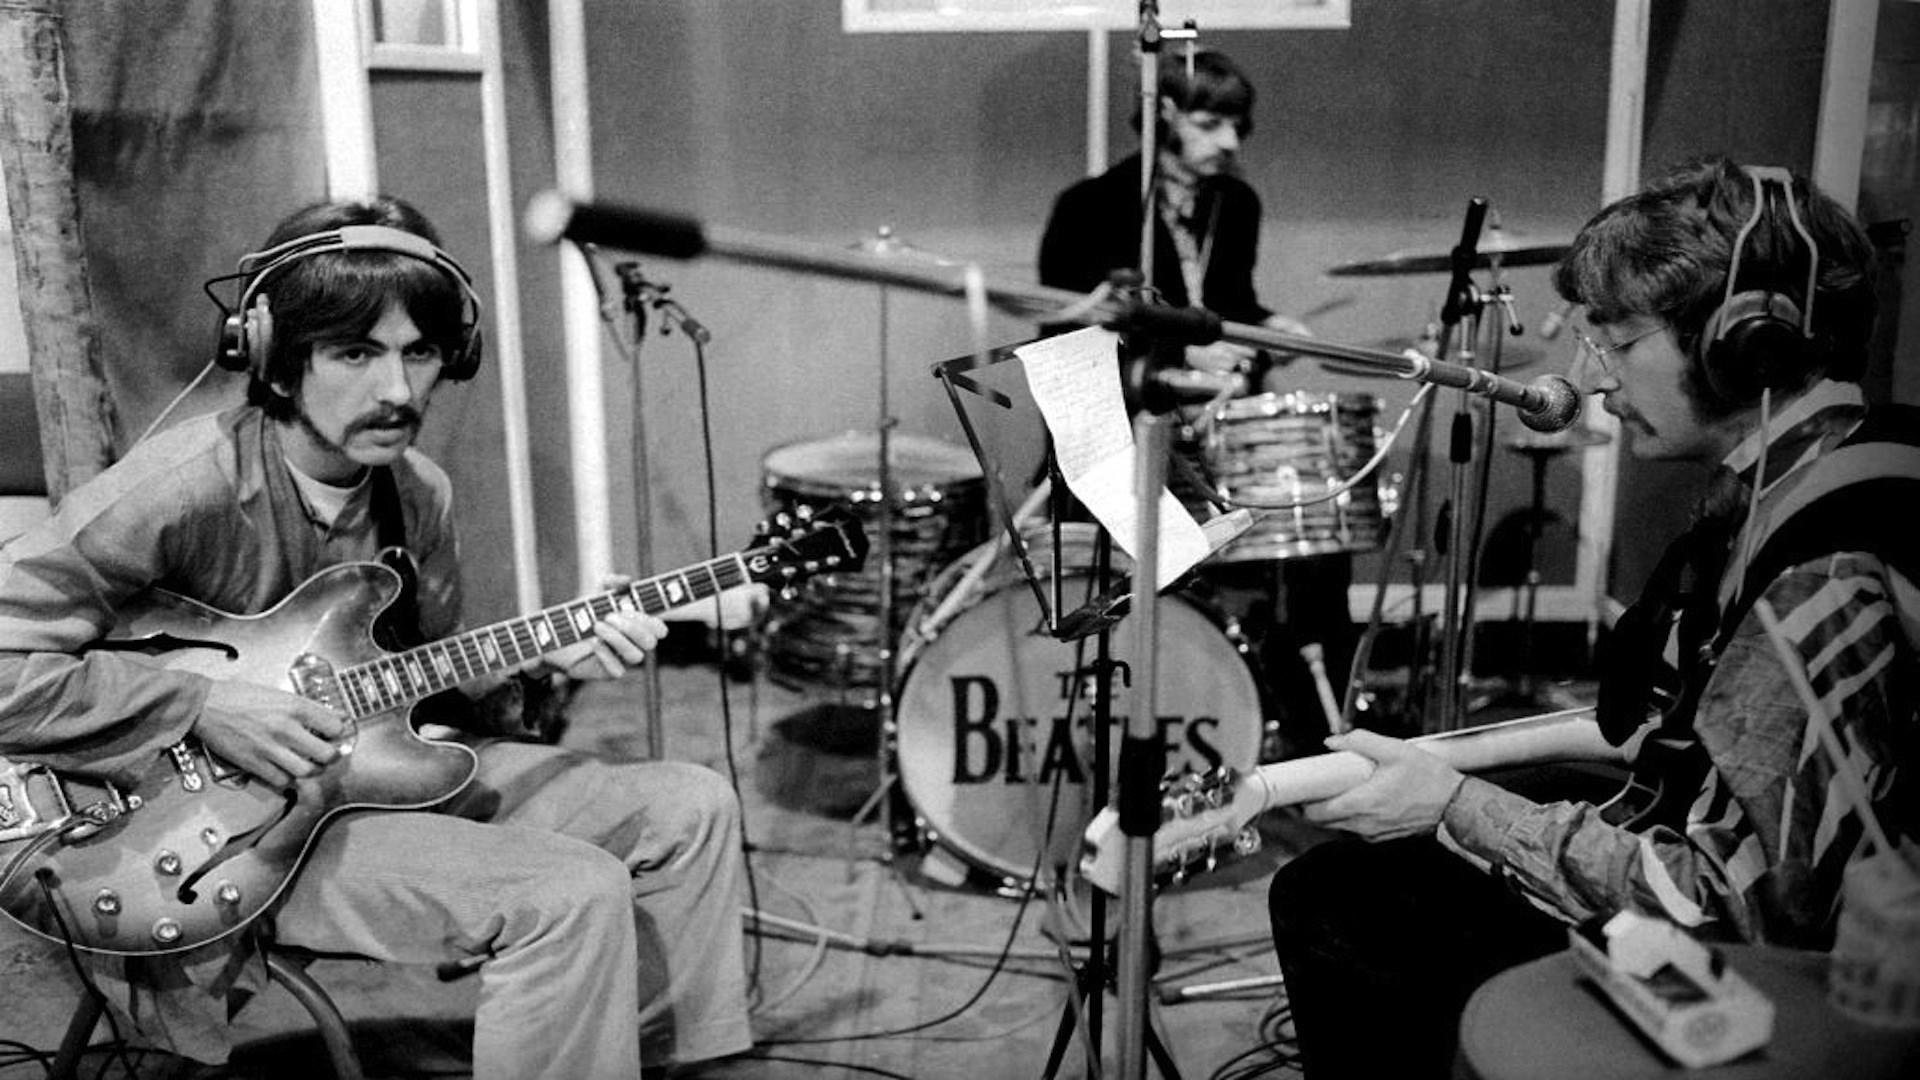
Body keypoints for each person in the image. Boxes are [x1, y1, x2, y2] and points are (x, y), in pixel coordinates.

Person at [0, 196, 752, 1079]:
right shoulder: (182, 486)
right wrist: (200, 703)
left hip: (371, 775)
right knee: (566, 890)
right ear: (274, 356)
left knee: (690, 804)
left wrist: (549, 660)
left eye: (419, 352)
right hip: (215, 833)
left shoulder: (416, 492)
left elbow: (428, 681)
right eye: (355, 353)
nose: (397, 391)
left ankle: (659, 1061)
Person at [1266, 158, 1919, 1078]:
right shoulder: (1829, 464)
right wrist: (1450, 769)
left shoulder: (1818, 567)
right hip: (1717, 871)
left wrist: (1450, 804)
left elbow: (1724, 905)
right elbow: (1672, 727)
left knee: (1336, 899)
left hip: (1777, 981)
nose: (1587, 380)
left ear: (1746, 346)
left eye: (1613, 341)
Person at [1037, 47, 1356, 751]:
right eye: (1211, 124)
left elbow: (1231, 305)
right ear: (1164, 114)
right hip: (1118, 438)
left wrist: (1270, 330)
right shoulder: (1090, 206)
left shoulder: (1236, 205)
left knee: (1316, 549)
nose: (1231, 142)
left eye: (1239, 126)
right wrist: (1180, 359)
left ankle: (1310, 740)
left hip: (1214, 437)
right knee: (1132, 588)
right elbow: (1066, 346)